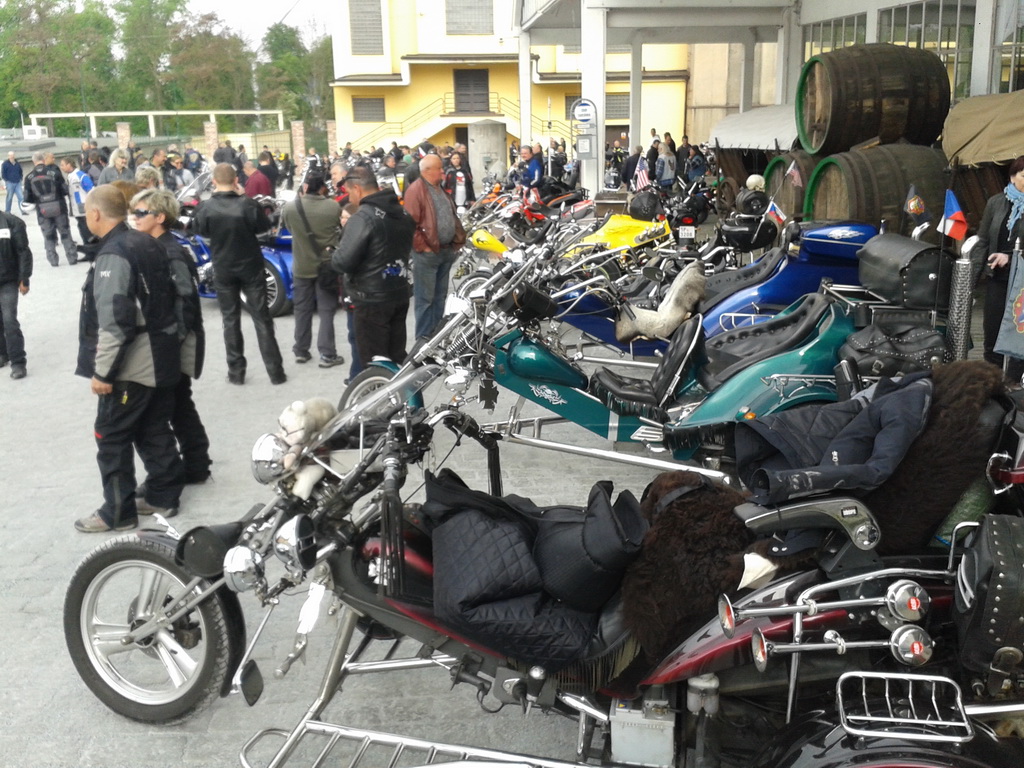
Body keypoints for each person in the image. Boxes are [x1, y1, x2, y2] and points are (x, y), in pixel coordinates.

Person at [74, 185, 184, 532]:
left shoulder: (115, 254)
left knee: (111, 435)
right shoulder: (146, 241)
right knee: (153, 426)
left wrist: (102, 373)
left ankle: (117, 512)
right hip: (161, 355)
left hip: (133, 365)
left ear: (95, 213)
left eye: (86, 212)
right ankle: (163, 494)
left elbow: (115, 322)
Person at [129, 188, 211, 484]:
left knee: (173, 404)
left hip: (175, 341)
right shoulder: (157, 246)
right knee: (179, 404)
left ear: (160, 217)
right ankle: (197, 464)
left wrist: (171, 342)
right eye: (133, 212)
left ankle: (191, 466)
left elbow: (186, 301)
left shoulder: (169, 250)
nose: (135, 218)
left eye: (141, 213)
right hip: (170, 339)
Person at [191, 163, 286, 385]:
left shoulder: (205, 208)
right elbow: (264, 230)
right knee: (262, 318)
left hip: (223, 266)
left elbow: (201, 234)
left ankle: (236, 373)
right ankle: (276, 373)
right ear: (236, 180)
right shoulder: (248, 204)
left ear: (214, 182)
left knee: (230, 320)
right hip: (251, 266)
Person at [331, 165, 414, 366]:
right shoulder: (401, 213)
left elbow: (342, 261)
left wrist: (333, 254)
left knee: (374, 363)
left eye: (349, 192)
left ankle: (380, 386)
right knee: (395, 357)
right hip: (398, 291)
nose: (349, 198)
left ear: (357, 189)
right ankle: (398, 386)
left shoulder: (362, 217)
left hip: (371, 299)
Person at [280, 173, 345, 368]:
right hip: (326, 266)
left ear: (305, 187)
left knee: (302, 309)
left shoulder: (290, 208)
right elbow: (338, 229)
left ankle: (301, 350)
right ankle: (327, 353)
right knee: (326, 310)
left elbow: (290, 228)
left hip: (302, 266)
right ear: (323, 188)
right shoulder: (333, 206)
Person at [404, 154, 466, 338]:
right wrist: (424, 247)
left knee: (439, 298)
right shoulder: (416, 190)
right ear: (427, 170)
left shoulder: (439, 188)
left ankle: (436, 338)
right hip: (428, 255)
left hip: (445, 251)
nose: (442, 171)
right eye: (439, 168)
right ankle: (423, 341)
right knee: (425, 300)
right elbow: (409, 224)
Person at [977, 155, 1024, 378]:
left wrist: (1011, 257)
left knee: (1017, 334)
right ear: (1013, 177)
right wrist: (971, 278)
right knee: (992, 331)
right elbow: (983, 240)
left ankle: (1015, 383)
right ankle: (991, 382)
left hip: (1022, 281)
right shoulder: (996, 202)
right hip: (998, 277)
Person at [24, 151, 78, 266]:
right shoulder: (54, 173)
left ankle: (53, 260)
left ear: (33, 161)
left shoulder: (28, 177)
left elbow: (27, 198)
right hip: (59, 207)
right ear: (43, 160)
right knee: (65, 232)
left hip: (42, 210)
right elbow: (65, 190)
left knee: (48, 235)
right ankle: (72, 257)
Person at [0, 207, 32, 379]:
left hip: (8, 280)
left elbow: (23, 251)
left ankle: (18, 362)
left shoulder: (12, 222)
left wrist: (24, 278)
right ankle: (2, 353)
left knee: (9, 320)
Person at [61, 155, 95, 246]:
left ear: (69, 165)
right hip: (76, 206)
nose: (61, 167)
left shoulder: (80, 175)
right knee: (81, 226)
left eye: (63, 165)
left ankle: (91, 245)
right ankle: (87, 245)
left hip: (83, 205)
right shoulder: (70, 176)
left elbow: (91, 190)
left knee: (85, 227)